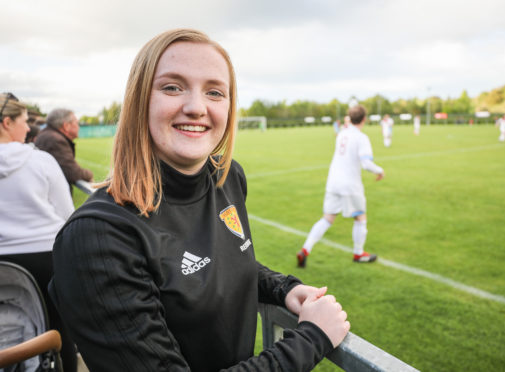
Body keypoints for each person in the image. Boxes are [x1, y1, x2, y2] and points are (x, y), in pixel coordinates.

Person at [48, 29, 350, 372]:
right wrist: (312, 338)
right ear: (139, 100)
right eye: (172, 87)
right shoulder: (98, 237)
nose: (196, 107)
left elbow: (221, 259)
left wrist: (282, 288)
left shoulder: (226, 177)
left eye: (215, 92)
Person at [0, 92, 77, 372]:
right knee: (60, 329)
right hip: (46, 258)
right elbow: (68, 216)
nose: (28, 128)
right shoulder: (41, 161)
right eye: (23, 121)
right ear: (7, 123)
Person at [297, 105, 384, 267]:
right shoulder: (361, 137)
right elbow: (366, 163)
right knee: (360, 218)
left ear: (349, 118)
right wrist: (380, 171)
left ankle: (305, 249)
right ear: (364, 119)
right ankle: (359, 253)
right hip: (350, 185)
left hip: (333, 182)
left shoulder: (342, 134)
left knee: (327, 218)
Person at [35, 108, 93, 193]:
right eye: (76, 123)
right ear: (66, 126)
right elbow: (74, 173)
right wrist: (89, 174)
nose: (78, 127)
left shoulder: (46, 134)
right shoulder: (55, 140)